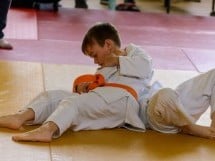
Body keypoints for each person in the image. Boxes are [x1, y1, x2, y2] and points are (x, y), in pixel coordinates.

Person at [0, 22, 154, 142]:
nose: (95, 61)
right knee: (52, 96)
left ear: (108, 45)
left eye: (94, 55)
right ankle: (19, 118)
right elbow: (98, 96)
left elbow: (146, 68)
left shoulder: (135, 52)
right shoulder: (103, 68)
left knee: (73, 104)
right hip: (107, 97)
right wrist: (88, 87)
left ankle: (47, 130)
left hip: (124, 102)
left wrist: (116, 60)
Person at [143, 69, 215, 140]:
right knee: (164, 95)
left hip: (180, 110)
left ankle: (212, 131)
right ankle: (188, 127)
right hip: (160, 116)